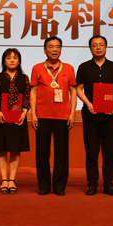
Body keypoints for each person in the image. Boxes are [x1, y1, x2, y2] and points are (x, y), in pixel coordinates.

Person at [76, 36, 113, 196]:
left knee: (109, 154)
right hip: (90, 116)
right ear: (90, 48)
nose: (98, 48)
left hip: (110, 117)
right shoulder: (84, 67)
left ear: (106, 47)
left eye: (101, 45)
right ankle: (92, 185)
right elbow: (78, 88)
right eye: (95, 45)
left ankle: (109, 185)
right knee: (91, 154)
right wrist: (87, 103)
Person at [30, 36, 77, 196]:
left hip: (63, 116)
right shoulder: (37, 68)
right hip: (42, 116)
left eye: (57, 47)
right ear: (45, 50)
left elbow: (73, 91)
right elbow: (33, 91)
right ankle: (43, 185)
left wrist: (72, 112)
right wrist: (33, 114)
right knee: (42, 153)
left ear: (61, 49)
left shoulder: (69, 68)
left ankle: (59, 186)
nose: (54, 49)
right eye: (51, 47)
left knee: (61, 153)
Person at [0, 48, 30, 194]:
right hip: (0, 118)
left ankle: (12, 180)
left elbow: (27, 97)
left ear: (19, 61)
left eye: (15, 58)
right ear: (4, 61)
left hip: (18, 118)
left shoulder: (24, 78)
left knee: (15, 149)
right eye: (8, 58)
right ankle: (3, 179)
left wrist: (24, 112)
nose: (12, 60)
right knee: (2, 148)